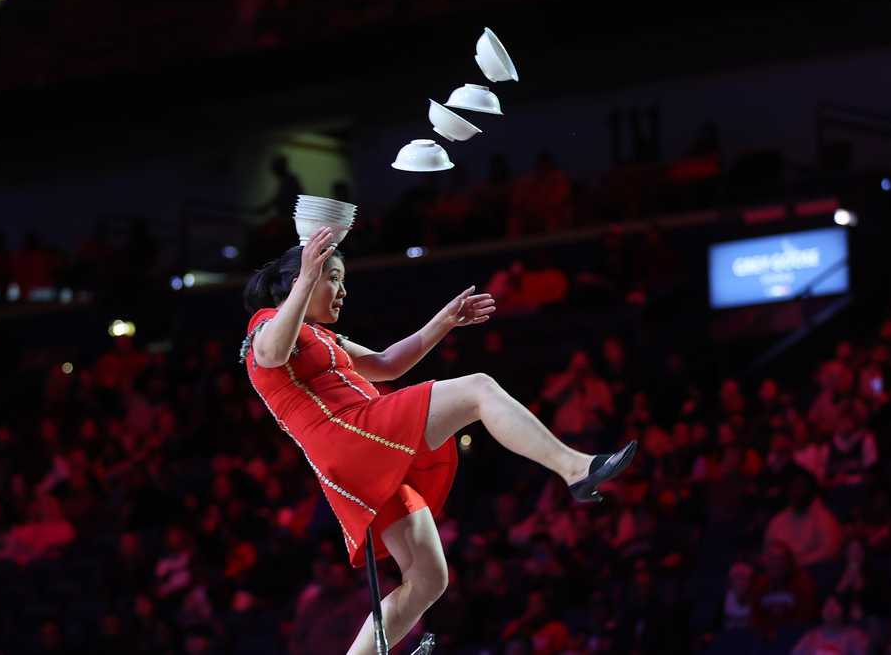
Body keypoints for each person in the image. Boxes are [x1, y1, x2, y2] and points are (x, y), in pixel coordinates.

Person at [240, 229, 638, 655]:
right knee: (478, 390)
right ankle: (576, 468)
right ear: (302, 277)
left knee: (429, 578)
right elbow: (270, 355)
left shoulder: (323, 336)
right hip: (351, 433)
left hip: (357, 453)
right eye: (332, 277)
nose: (342, 290)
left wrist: (445, 321)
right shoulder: (265, 325)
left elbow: (386, 364)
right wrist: (307, 276)